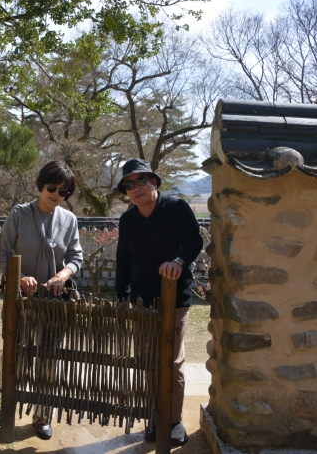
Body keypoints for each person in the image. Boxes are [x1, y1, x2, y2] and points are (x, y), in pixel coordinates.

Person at [114, 158, 203, 446]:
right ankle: (156, 416)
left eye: (141, 180)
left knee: (172, 362)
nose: (136, 188)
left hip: (175, 300)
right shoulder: (128, 220)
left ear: (154, 182)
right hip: (142, 301)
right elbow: (123, 260)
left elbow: (194, 241)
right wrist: (121, 296)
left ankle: (173, 421)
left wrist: (178, 261)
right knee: (148, 361)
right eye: (129, 185)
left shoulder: (176, 207)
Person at [0, 160, 84, 439]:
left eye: (64, 191)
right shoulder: (19, 214)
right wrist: (21, 277)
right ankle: (5, 405)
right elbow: (1, 254)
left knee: (49, 358)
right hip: (20, 301)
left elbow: (76, 257)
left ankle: (42, 414)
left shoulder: (69, 220)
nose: (57, 194)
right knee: (15, 353)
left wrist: (61, 276)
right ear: (40, 185)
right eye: (52, 187)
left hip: (54, 303)